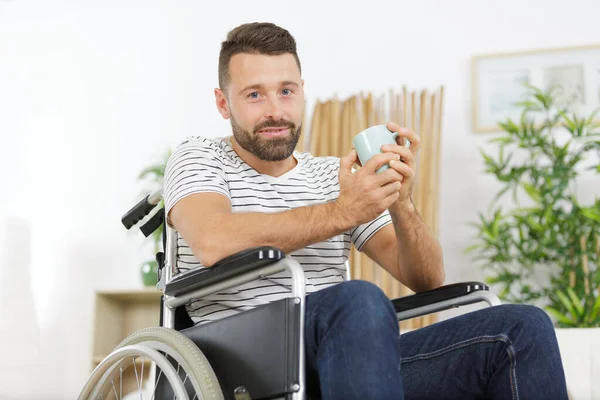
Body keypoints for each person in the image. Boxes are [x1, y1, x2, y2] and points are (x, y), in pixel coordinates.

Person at [163, 22, 568, 400]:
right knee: (358, 300)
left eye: (286, 91)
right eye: (255, 94)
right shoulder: (200, 158)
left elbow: (426, 279)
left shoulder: (331, 176)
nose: (275, 110)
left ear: (302, 92)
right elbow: (214, 240)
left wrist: (401, 202)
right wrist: (342, 212)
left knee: (522, 326)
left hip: (352, 353)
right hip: (239, 357)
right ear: (222, 102)